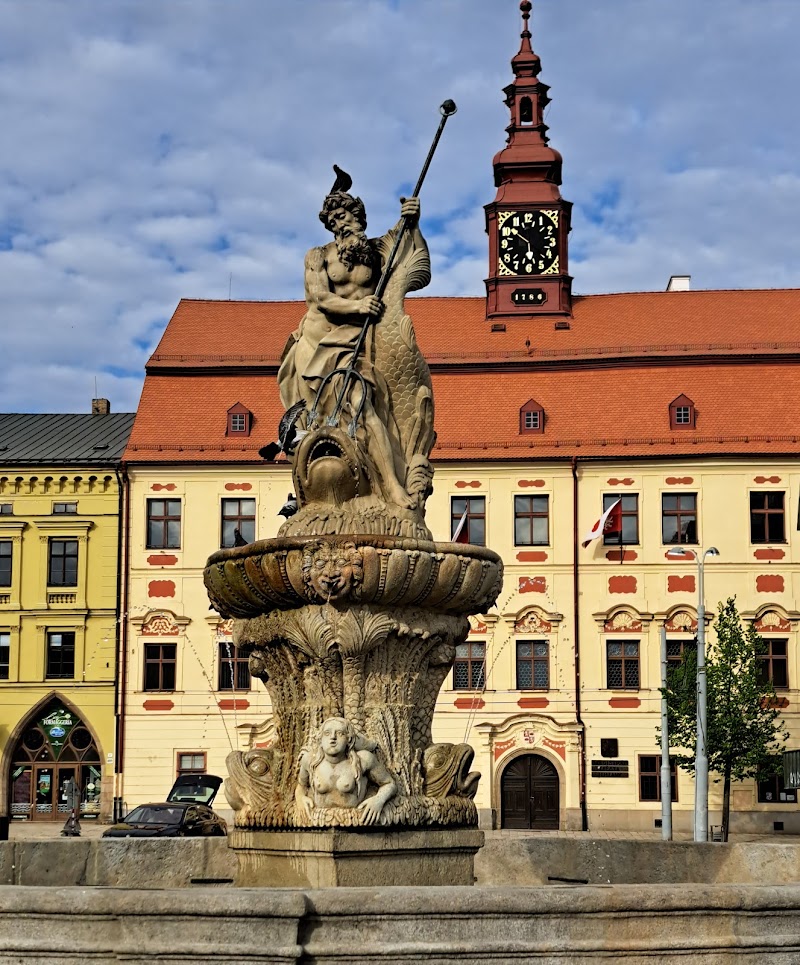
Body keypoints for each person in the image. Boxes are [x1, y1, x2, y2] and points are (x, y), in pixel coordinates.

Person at [277, 175, 430, 509]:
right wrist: (358, 306)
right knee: (320, 423)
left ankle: (390, 487)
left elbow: (415, 265)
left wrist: (413, 222)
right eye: (333, 222)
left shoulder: (378, 251)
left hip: (358, 343)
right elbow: (319, 297)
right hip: (317, 344)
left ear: (359, 215)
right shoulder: (318, 256)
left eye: (344, 216)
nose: (339, 225)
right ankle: (316, 496)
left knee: (366, 409)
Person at [295, 717, 396, 824]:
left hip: (355, 823)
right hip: (318, 822)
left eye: (340, 733)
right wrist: (300, 797)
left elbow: (390, 784)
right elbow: (301, 785)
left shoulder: (363, 760)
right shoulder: (310, 760)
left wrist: (378, 801)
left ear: (349, 739)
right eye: (327, 733)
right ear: (321, 738)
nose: (333, 738)